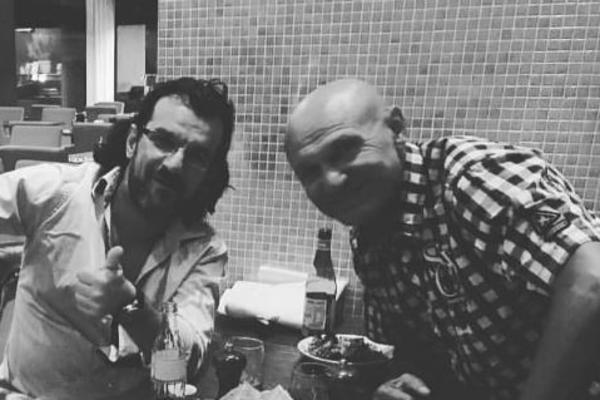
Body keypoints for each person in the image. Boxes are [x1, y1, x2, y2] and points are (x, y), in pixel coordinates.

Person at [284, 78, 600, 400]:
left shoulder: (473, 178)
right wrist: (402, 384)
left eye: (344, 149)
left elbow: (592, 281)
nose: (332, 180)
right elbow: (415, 359)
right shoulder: (369, 242)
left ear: (396, 128)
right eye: (310, 172)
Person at [0, 77, 235, 399]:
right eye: (163, 140)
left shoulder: (203, 250)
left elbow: (187, 363)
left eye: (197, 156)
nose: (175, 164)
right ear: (132, 141)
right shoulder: (57, 194)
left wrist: (132, 308)